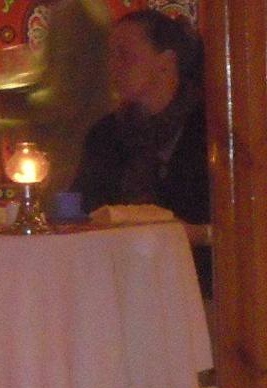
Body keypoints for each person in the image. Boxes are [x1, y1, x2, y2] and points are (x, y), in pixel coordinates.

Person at [73, 8, 211, 288]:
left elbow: (242, 229)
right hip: (118, 280)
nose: (113, 67)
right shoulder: (106, 134)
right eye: (110, 57)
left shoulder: (209, 131)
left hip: (198, 282)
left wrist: (192, 234)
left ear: (166, 62)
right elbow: (82, 207)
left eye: (124, 55)